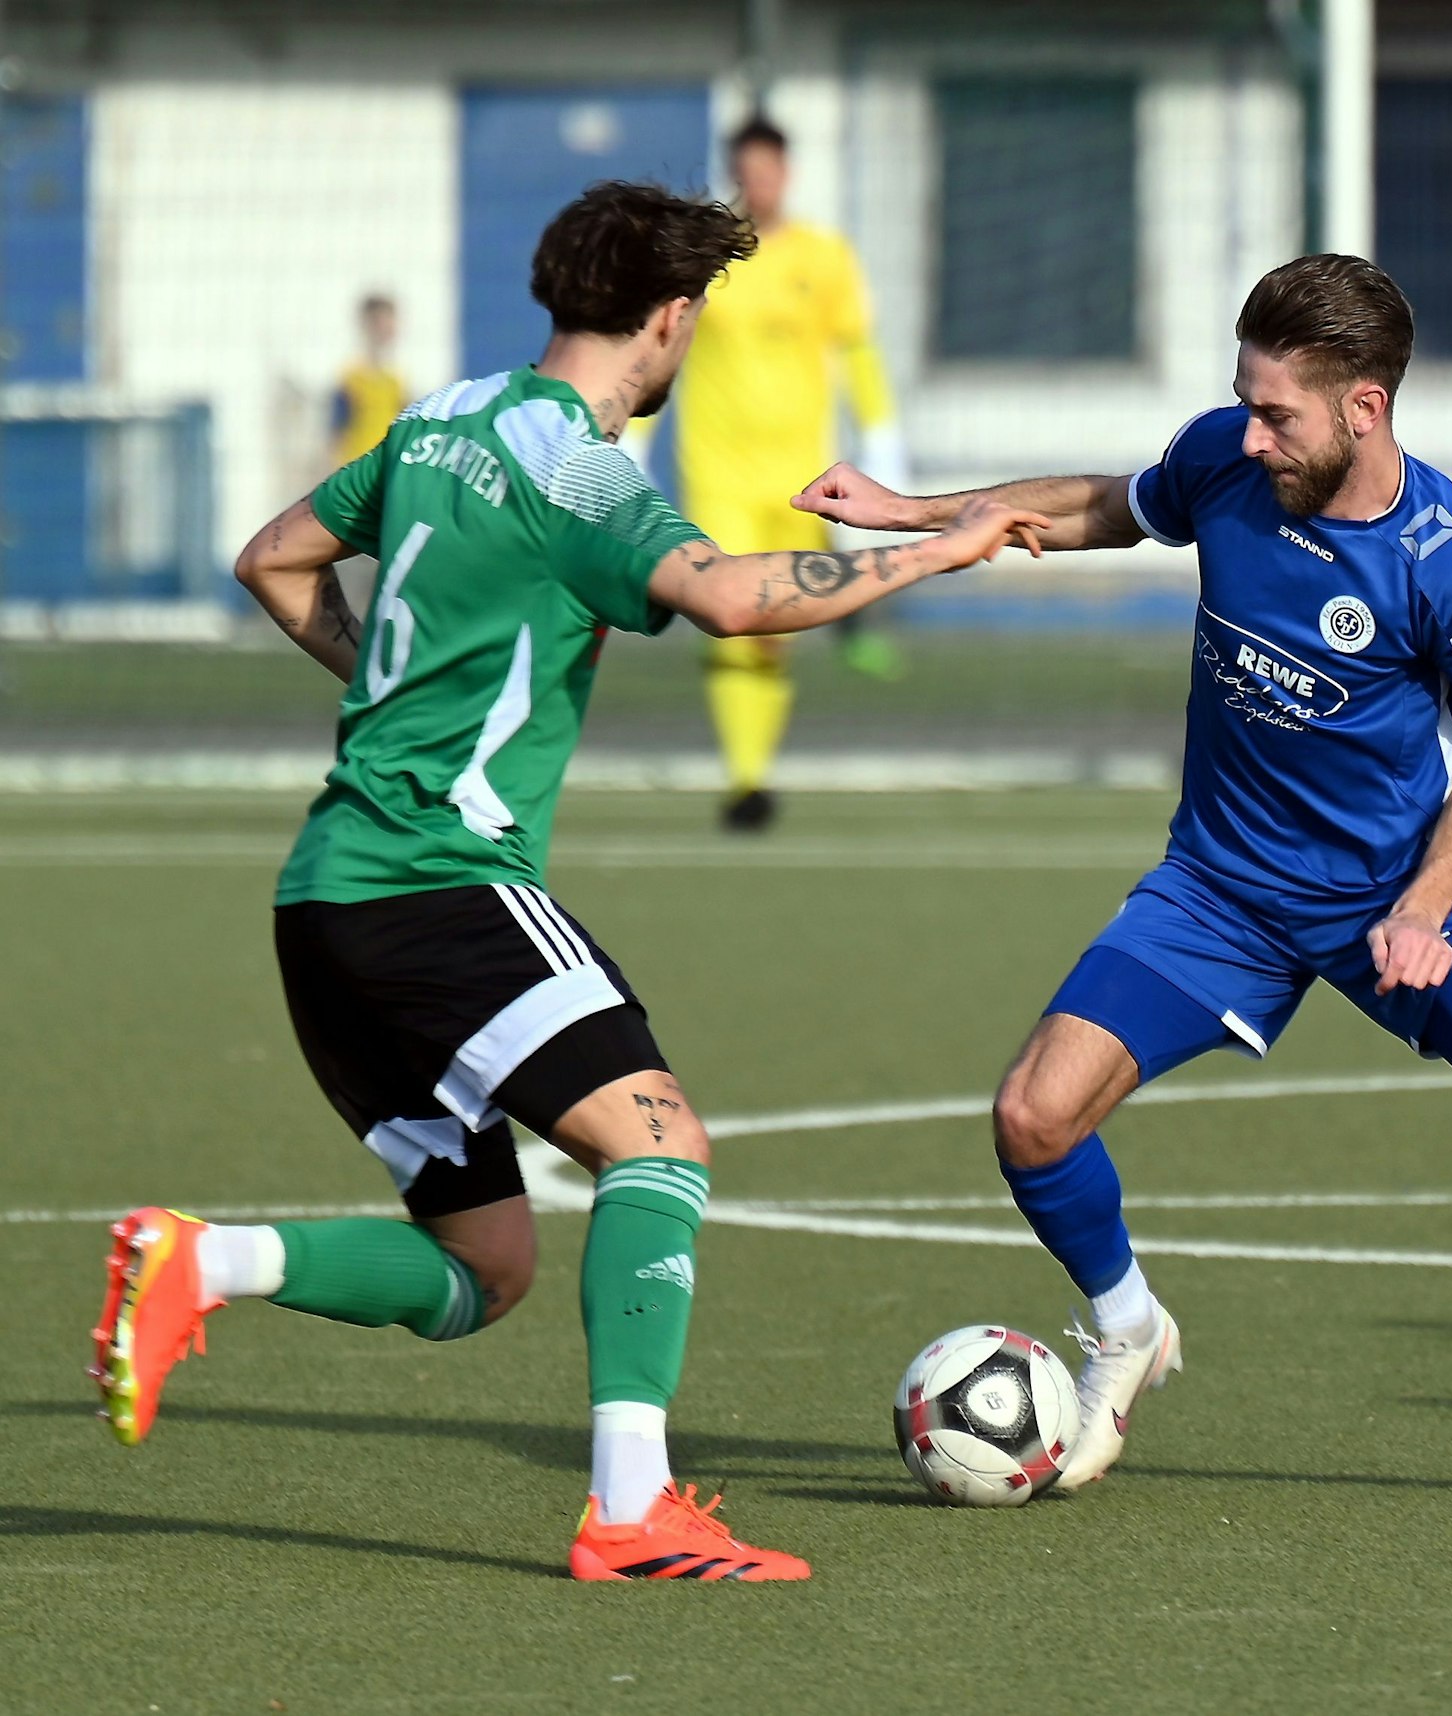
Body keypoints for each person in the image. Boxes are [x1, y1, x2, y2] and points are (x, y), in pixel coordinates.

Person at [797, 253, 1452, 1515]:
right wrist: (912, 508)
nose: (1250, 435)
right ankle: (1127, 1327)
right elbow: (1110, 504)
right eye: (1245, 404)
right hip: (1220, 887)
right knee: (1035, 1116)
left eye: (1279, 415)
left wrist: (1424, 908)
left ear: (1364, 407)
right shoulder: (1225, 461)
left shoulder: (1447, 563)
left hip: (1393, 891)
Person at [88, 181, 1045, 1581]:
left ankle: (201, 1262)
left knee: (486, 1269)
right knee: (658, 1147)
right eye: (696, 319)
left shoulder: (435, 420)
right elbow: (731, 596)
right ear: (668, 317)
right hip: (439, 883)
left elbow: (273, 557)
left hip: (324, 900)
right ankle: (630, 1512)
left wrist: (389, 685)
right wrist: (940, 548)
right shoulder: (579, 469)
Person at [676, 114, 909, 832]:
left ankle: (757, 765)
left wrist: (881, 434)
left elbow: (858, 351)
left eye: (770, 169)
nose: (760, 182)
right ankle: (746, 779)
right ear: (734, 173)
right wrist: (628, 438)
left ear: (786, 173)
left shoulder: (824, 255)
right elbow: (664, 344)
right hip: (716, 469)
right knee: (732, 617)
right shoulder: (705, 254)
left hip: (797, 473)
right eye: (746, 170)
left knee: (775, 627)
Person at [329, 294, 409, 468]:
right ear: (366, 326)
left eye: (389, 322)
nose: (386, 330)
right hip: (356, 471)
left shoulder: (396, 382)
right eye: (379, 323)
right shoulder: (351, 380)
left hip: (386, 470)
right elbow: (336, 434)